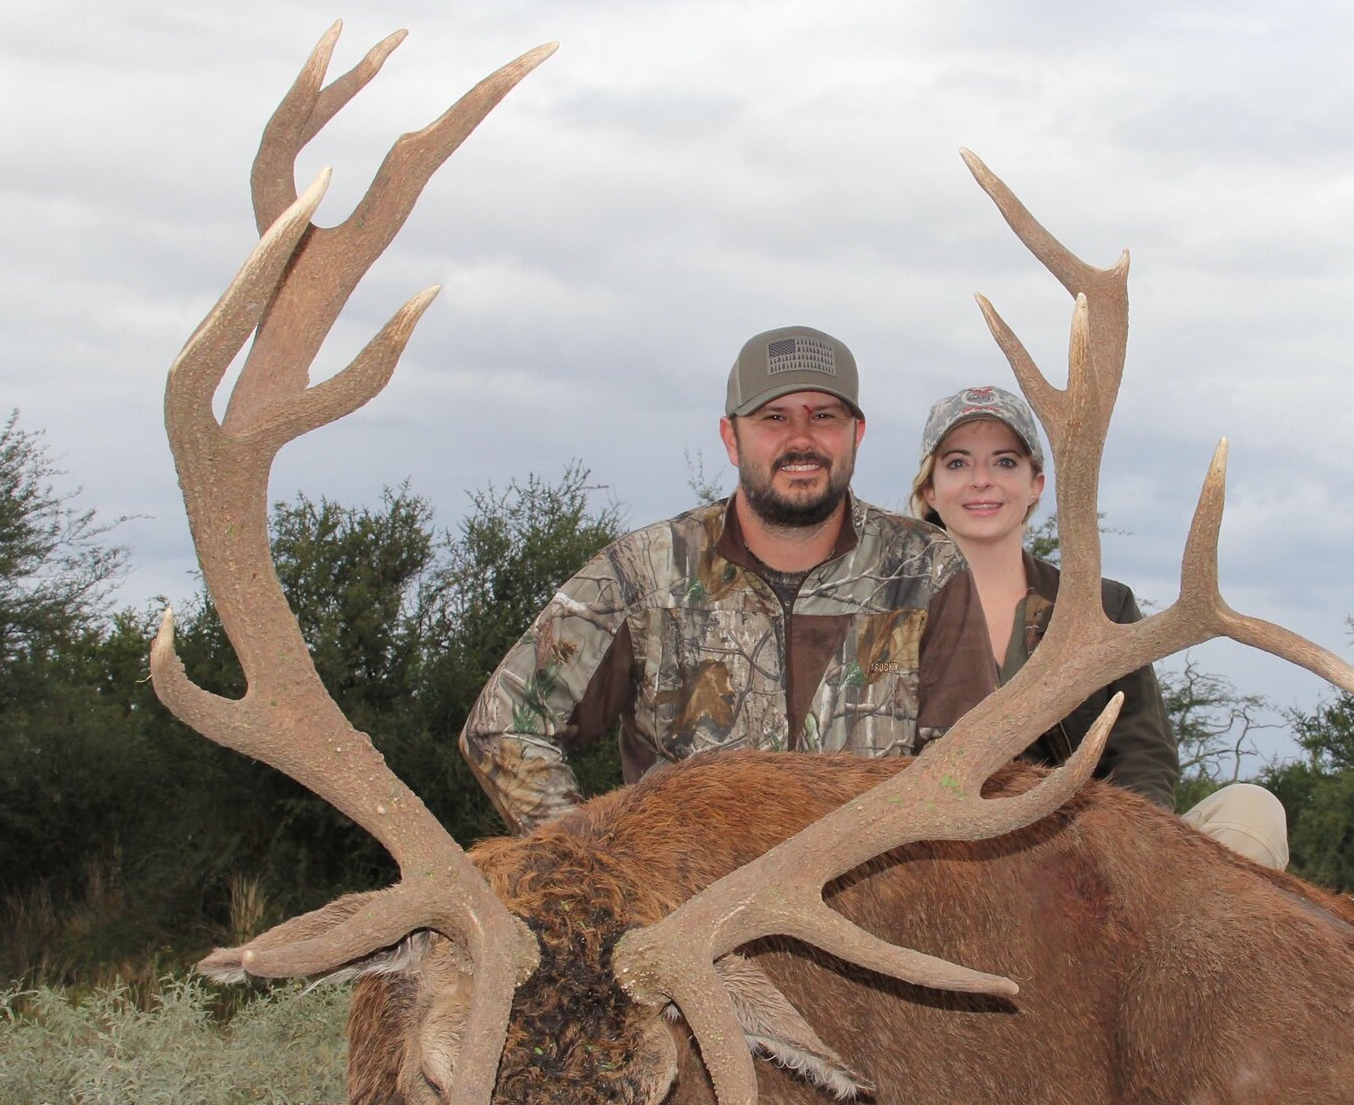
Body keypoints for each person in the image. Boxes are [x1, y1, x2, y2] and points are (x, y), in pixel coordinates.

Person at [462, 327, 999, 834]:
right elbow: (503, 724)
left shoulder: (926, 569)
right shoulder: (643, 571)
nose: (802, 440)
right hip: (690, 919)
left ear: (856, 434)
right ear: (731, 438)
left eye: (825, 417)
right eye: (773, 418)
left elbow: (974, 765)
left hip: (866, 916)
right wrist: (591, 862)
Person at [910, 385, 1293, 870]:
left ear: (1036, 485)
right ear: (930, 489)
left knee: (1251, 812)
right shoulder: (887, 612)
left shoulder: (1103, 604)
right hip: (939, 862)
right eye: (958, 464)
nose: (981, 480)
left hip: (1084, 854)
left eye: (1005, 462)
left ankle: (1145, 932)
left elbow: (1143, 754)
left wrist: (1121, 853)